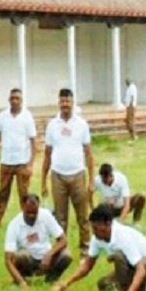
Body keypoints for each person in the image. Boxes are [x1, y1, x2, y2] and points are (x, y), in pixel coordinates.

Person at [54, 204, 146, 291]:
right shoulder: (97, 238)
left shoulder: (122, 236)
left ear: (108, 224)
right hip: (132, 267)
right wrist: (67, 283)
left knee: (117, 257)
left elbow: (141, 268)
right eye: (93, 229)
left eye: (98, 229)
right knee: (103, 285)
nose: (95, 233)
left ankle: (136, 289)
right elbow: (87, 266)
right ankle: (138, 287)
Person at [41, 88, 95, 257]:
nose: (65, 104)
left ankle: (85, 250)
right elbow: (47, 153)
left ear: (72, 103)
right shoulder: (52, 125)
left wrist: (92, 180)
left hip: (78, 174)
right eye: (62, 101)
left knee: (83, 216)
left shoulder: (81, 124)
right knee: (60, 217)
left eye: (68, 101)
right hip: (58, 176)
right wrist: (43, 181)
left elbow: (88, 153)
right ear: (59, 103)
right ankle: (62, 251)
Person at [0, 88, 37, 231]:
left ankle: (28, 221)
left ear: (21, 100)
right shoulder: (3, 116)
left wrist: (31, 164)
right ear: (8, 100)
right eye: (12, 98)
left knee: (24, 194)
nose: (14, 101)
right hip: (6, 162)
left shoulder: (27, 116)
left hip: (22, 162)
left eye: (17, 98)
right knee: (2, 192)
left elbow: (33, 141)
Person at [4, 194, 72, 289]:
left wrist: (49, 255)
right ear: (22, 207)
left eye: (35, 212)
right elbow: (8, 260)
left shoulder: (46, 215)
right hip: (28, 261)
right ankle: (21, 280)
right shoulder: (14, 225)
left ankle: (51, 280)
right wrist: (21, 282)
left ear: (38, 208)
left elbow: (63, 240)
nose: (32, 215)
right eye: (28, 212)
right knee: (21, 255)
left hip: (46, 259)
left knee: (66, 255)